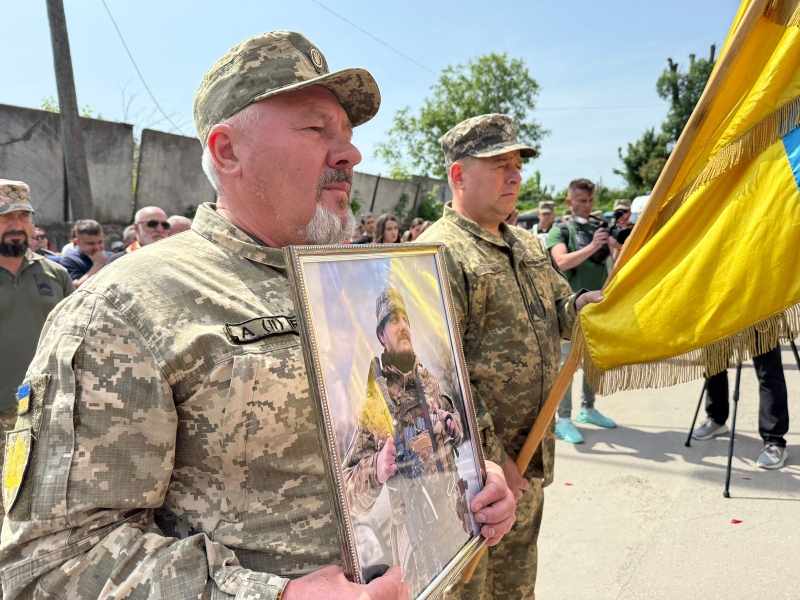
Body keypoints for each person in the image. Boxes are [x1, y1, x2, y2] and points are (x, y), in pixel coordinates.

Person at [0, 31, 516, 600]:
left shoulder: (355, 283)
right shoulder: (126, 308)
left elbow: (374, 454)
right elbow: (50, 566)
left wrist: (466, 478)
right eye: (317, 129)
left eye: (346, 134)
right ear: (227, 151)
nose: (350, 153)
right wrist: (270, 596)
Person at [418, 114, 603, 600]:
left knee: (517, 586)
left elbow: (558, 310)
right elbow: (436, 376)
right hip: (475, 476)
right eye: (500, 165)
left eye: (517, 165)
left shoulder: (523, 242)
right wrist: (494, 458)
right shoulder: (436, 252)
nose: (516, 176)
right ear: (459, 175)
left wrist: (580, 308)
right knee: (470, 589)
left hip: (531, 456)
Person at [343, 288, 470, 598]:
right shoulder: (377, 401)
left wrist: (453, 428)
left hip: (456, 520)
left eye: (405, 319)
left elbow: (458, 433)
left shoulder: (428, 380)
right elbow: (349, 493)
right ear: (381, 335)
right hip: (418, 539)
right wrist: (377, 467)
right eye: (393, 320)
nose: (402, 326)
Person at [0, 180, 72, 523]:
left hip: (44, 411)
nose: (16, 226)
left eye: (23, 217)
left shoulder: (56, 273)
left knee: (40, 504)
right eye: (4, 217)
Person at [547, 178, 616, 444]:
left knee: (592, 361)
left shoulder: (599, 228)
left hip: (597, 306)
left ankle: (588, 409)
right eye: (582, 201)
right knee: (566, 365)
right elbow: (561, 261)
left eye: (590, 201)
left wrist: (615, 245)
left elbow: (617, 263)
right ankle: (563, 419)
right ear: (569, 201)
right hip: (569, 308)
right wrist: (592, 246)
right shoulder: (561, 230)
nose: (587, 206)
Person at [693, 344, 790, 469]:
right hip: (719, 324)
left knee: (768, 369)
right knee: (714, 361)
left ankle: (774, 441)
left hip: (758, 324)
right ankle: (716, 418)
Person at [59, 219, 115, 287]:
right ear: (77, 242)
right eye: (91, 243)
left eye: (100, 242)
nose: (97, 247)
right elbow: (76, 287)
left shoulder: (113, 257)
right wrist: (98, 265)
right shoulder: (69, 261)